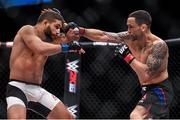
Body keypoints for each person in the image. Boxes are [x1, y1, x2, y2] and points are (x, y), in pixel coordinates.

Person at [75, 10, 173, 119]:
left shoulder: (158, 46)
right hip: (146, 89)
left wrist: (128, 56)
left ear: (143, 28)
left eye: (131, 27)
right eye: (127, 26)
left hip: (160, 90)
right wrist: (82, 31)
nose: (128, 30)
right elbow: (103, 35)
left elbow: (147, 74)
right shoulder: (129, 38)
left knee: (136, 115)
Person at [6, 8, 84, 119]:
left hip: (37, 90)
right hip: (18, 88)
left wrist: (66, 25)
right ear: (45, 22)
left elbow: (73, 35)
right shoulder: (27, 30)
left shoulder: (52, 39)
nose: (58, 31)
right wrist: (67, 47)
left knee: (68, 118)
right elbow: (40, 48)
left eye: (59, 28)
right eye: (56, 27)